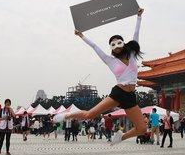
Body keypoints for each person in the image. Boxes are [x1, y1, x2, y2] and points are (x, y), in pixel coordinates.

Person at [54, 8, 146, 145]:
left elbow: (136, 34)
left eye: (118, 42)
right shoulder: (110, 60)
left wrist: (139, 16)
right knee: (89, 114)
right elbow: (95, 46)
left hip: (131, 96)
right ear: (111, 48)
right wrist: (81, 35)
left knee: (142, 129)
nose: (116, 46)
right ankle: (66, 115)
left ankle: (121, 137)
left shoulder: (132, 54)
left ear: (124, 43)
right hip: (119, 92)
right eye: (113, 44)